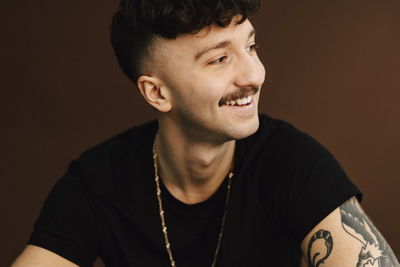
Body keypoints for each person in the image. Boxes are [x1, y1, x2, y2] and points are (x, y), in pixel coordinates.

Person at [12, 0, 399, 266]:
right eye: (219, 59)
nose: (254, 74)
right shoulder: (97, 182)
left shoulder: (292, 163)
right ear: (157, 92)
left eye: (251, 46)